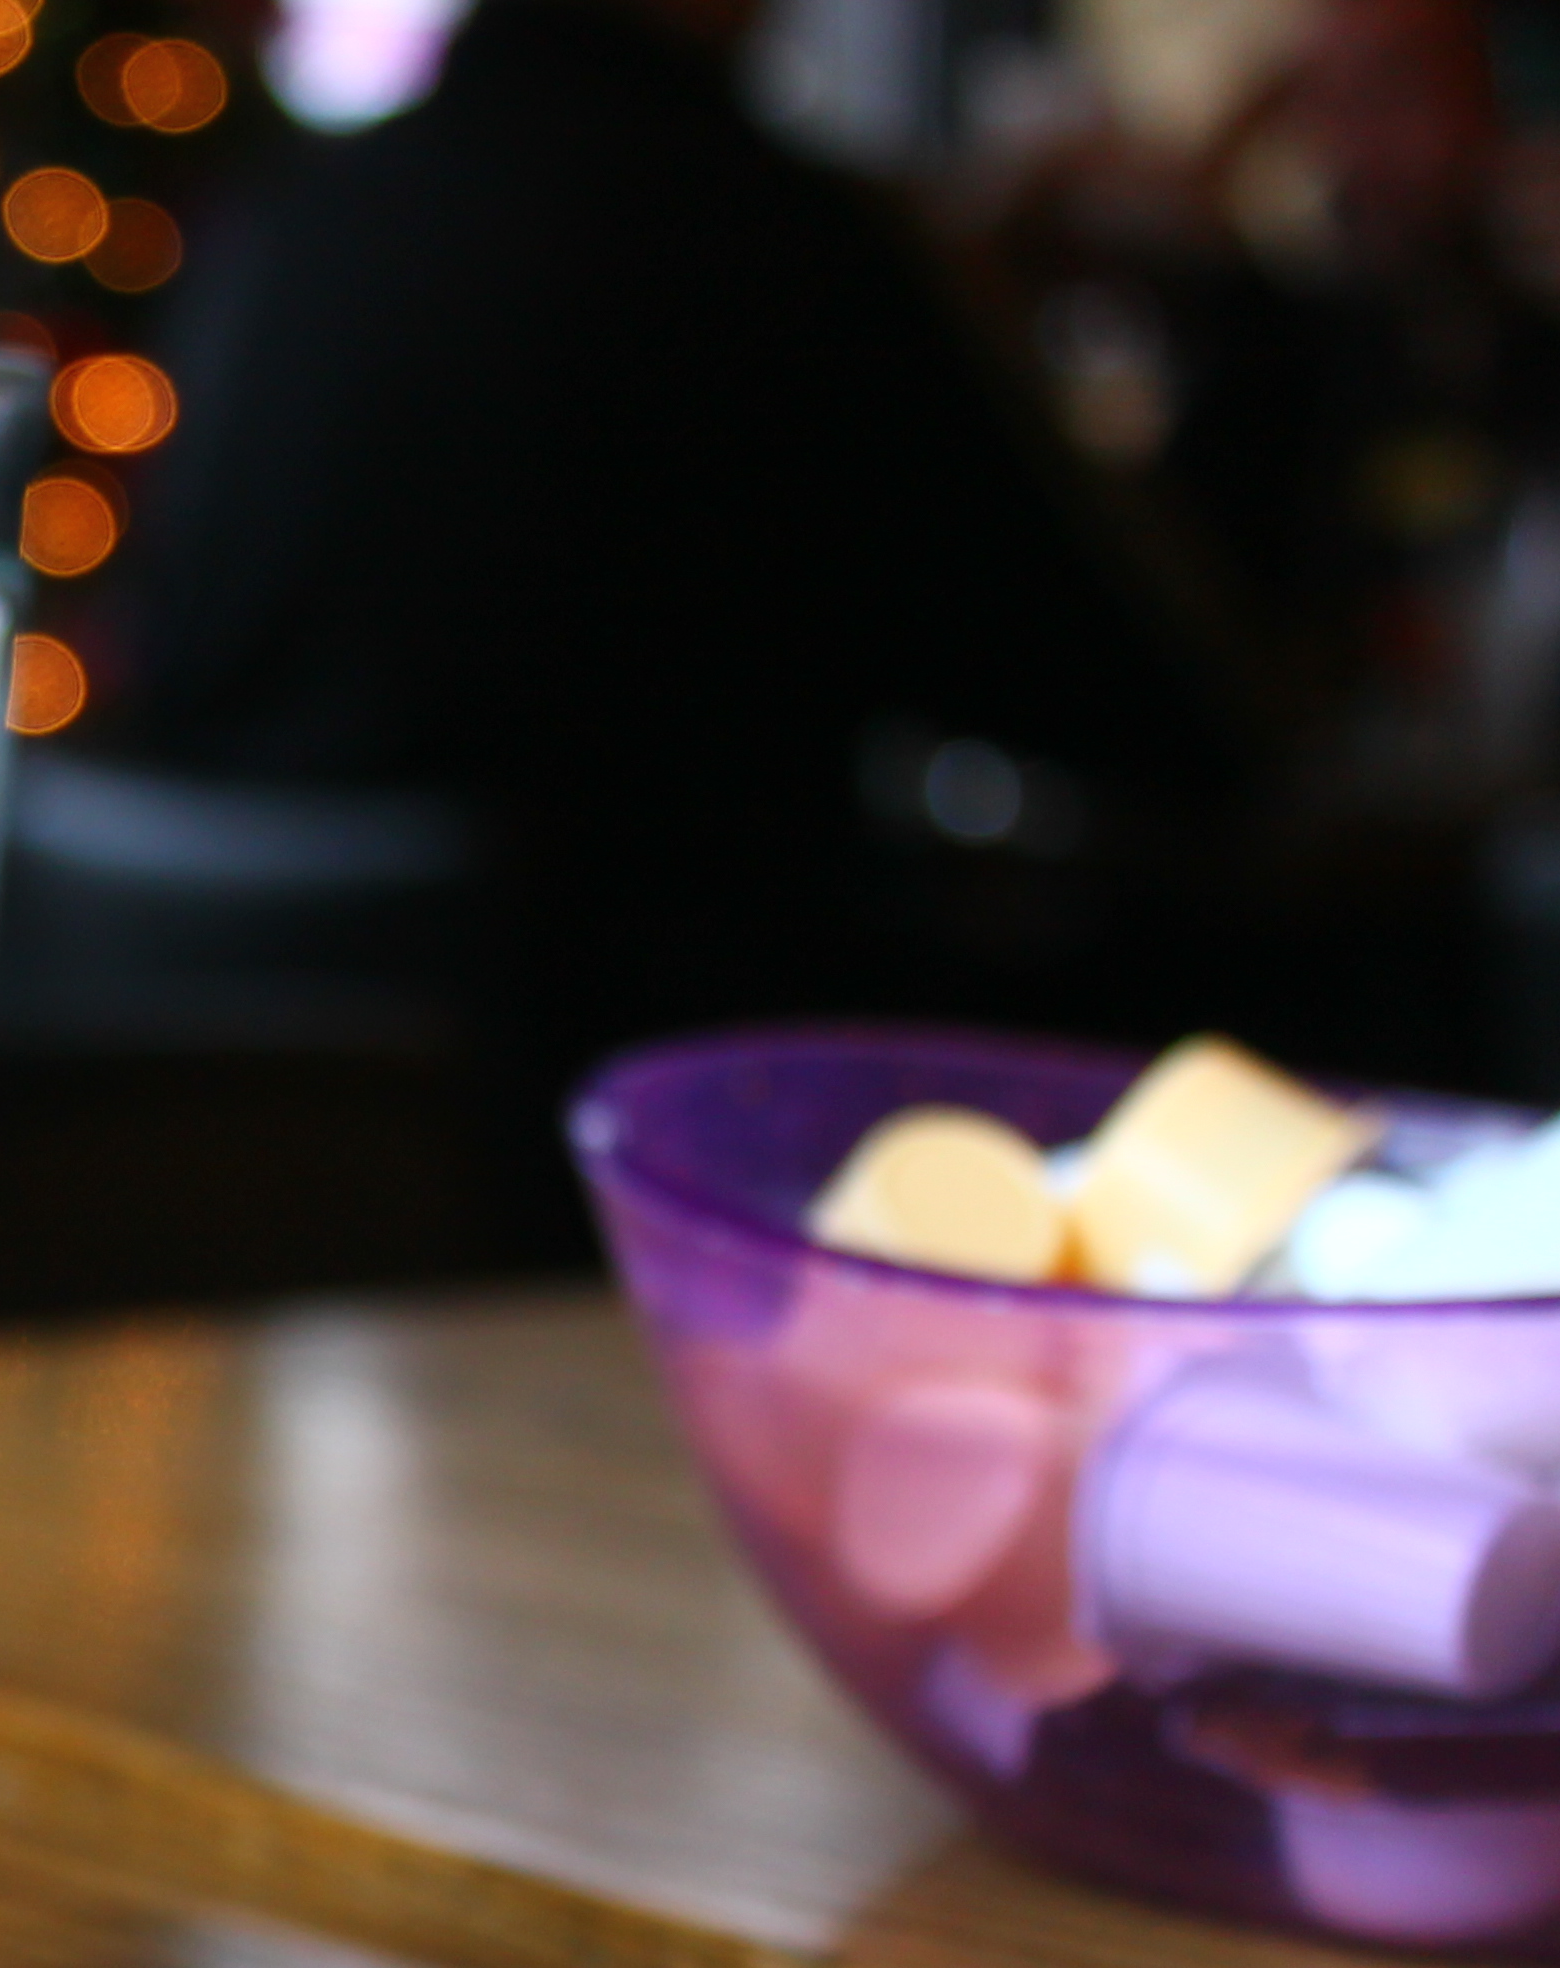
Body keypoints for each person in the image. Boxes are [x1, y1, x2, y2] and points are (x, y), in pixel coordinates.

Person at [111, 0, 1268, 1262]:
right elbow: (1146, 706)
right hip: (639, 1157)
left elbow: (176, 667)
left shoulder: (299, 211)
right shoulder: (769, 230)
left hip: (223, 1144)